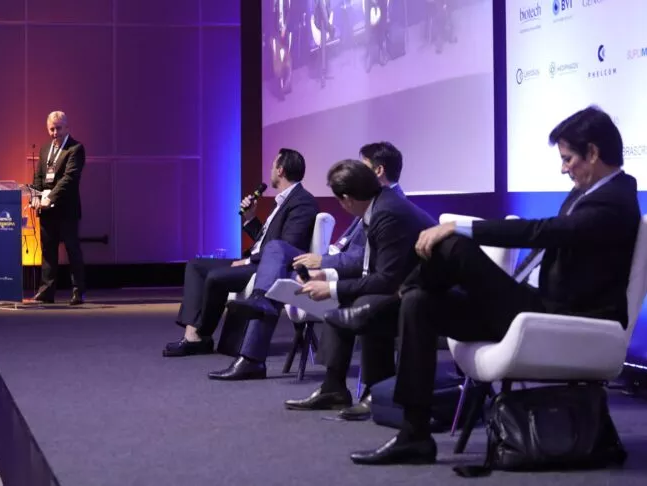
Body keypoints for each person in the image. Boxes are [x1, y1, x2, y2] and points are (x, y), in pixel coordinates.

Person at [341, 106, 640, 465]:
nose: (564, 169)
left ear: (592, 152)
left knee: (453, 245)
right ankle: (413, 435)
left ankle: (385, 303)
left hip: (562, 317)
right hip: (537, 307)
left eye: (568, 159)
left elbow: (543, 231)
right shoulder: (587, 193)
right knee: (420, 303)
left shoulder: (615, 201)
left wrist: (460, 226)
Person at [218, 142, 408, 382]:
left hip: (352, 277)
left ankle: (252, 356)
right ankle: (256, 323)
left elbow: (367, 258)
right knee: (274, 258)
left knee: (273, 277)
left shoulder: (389, 206)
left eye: (362, 166)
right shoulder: (376, 200)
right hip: (334, 262)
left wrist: (323, 261)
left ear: (378, 171)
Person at [278, 160, 435, 414]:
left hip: (427, 293)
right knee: (345, 305)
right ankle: (333, 389)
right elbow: (369, 266)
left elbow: (385, 280)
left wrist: (331, 288)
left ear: (346, 199)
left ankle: (377, 391)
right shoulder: (378, 205)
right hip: (404, 285)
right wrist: (327, 275)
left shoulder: (387, 214)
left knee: (363, 305)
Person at [163, 149, 318, 357]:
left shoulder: (302, 202)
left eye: (273, 166)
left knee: (216, 277)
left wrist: (248, 261)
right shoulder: (282, 200)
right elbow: (266, 241)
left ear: (280, 170)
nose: (270, 170)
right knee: (195, 265)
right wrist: (250, 218)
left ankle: (200, 335)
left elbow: (287, 246)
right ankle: (193, 337)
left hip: (267, 267)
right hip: (256, 260)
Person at [31, 111, 86, 306]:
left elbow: (69, 178)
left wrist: (50, 197)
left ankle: (78, 292)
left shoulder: (76, 148)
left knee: (72, 250)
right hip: (47, 210)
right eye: (52, 129)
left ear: (67, 127)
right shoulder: (45, 149)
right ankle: (46, 291)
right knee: (48, 250)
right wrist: (36, 196)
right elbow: (39, 177)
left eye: (59, 128)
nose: (55, 133)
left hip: (66, 209)